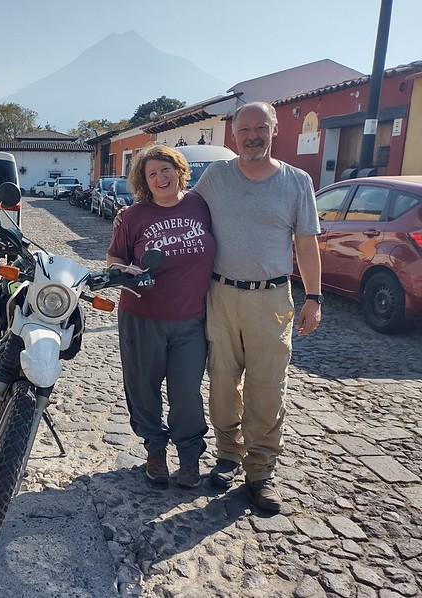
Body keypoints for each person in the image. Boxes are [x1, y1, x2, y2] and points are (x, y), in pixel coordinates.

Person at [192, 101, 322, 512]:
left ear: (274, 130)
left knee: (268, 387)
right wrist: (137, 215)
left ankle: (260, 471)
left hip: (272, 298)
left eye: (260, 128)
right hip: (221, 295)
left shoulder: (296, 181)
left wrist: (314, 298)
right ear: (233, 134)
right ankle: (229, 454)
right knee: (222, 384)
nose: (252, 136)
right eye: (244, 128)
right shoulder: (216, 177)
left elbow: (306, 243)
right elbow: (184, 211)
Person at [106, 144, 215, 489]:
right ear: (144, 181)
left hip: (190, 320)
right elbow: (113, 261)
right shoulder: (133, 216)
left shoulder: (201, 205)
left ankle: (188, 457)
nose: (160, 178)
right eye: (152, 174)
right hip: (141, 316)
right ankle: (154, 450)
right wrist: (128, 271)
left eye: (165, 170)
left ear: (180, 170)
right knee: (143, 389)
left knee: (187, 392)